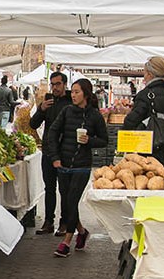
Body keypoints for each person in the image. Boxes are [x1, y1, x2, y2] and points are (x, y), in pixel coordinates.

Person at [47, 78, 108, 257]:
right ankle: (81, 232)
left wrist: (90, 141)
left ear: (86, 94)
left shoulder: (95, 116)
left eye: (76, 92)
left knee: (72, 201)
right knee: (67, 203)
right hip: (64, 163)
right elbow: (53, 132)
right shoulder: (66, 112)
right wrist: (55, 157)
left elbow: (104, 140)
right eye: (72, 92)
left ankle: (66, 242)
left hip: (82, 166)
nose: (73, 95)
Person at [123, 56, 164, 170]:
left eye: (144, 73)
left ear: (149, 74)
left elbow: (130, 124)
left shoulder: (146, 95)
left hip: (150, 159)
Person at [29, 72, 72, 236]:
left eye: (58, 84)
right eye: (52, 84)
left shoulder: (70, 101)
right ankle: (48, 222)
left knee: (64, 189)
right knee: (49, 188)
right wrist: (41, 109)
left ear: (65, 84)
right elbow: (33, 124)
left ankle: (64, 222)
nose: (55, 87)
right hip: (48, 151)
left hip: (64, 152)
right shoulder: (47, 101)